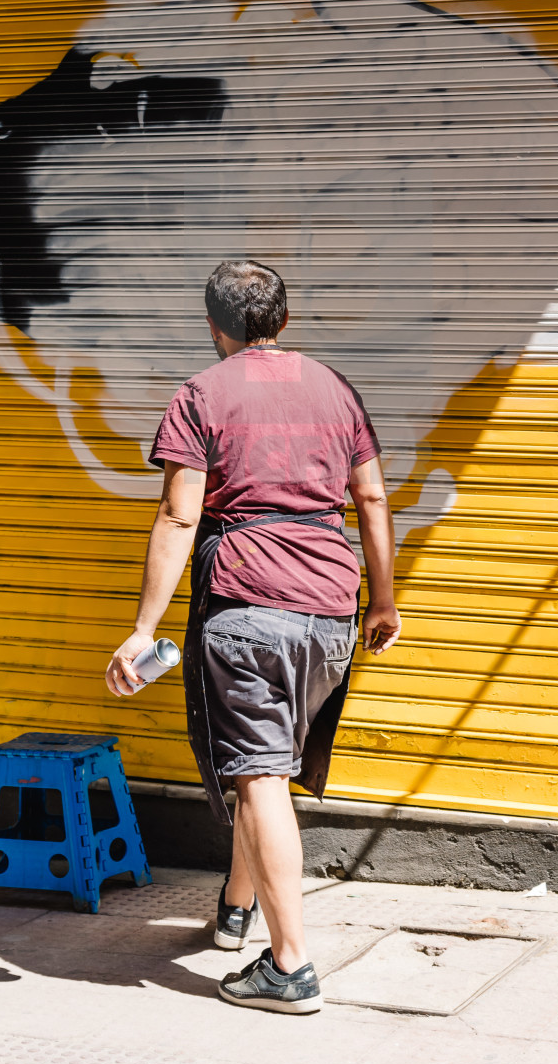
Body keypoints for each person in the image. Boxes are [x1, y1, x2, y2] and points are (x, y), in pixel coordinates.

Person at [105, 259, 401, 1014]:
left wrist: (142, 630)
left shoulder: (202, 394)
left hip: (247, 607)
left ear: (214, 327)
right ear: (284, 320)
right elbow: (369, 495)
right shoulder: (335, 388)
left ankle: (291, 965)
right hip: (333, 608)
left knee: (261, 776)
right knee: (261, 765)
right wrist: (384, 602)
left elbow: (178, 515)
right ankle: (237, 907)